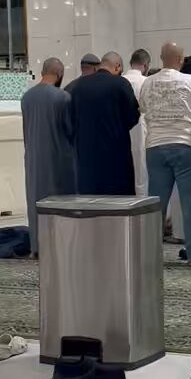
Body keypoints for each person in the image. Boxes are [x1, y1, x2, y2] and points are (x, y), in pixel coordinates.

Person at [140, 41, 191, 267]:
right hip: (187, 145)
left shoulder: (148, 82)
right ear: (181, 59)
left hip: (156, 147)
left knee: (156, 204)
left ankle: (151, 255)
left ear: (161, 58)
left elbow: (143, 107)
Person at [21, 57, 75, 256]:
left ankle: (36, 246)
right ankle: (59, 246)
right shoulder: (63, 97)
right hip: (58, 159)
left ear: (43, 72)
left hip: (33, 160)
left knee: (35, 202)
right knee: (60, 203)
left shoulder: (26, 98)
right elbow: (70, 130)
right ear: (60, 74)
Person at [70, 51, 139, 195]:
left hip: (86, 158)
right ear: (117, 67)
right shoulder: (120, 84)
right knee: (118, 201)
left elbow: (71, 120)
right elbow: (133, 116)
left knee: (89, 201)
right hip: (116, 157)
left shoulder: (78, 87)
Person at [124, 48, 151, 197]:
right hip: (142, 128)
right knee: (141, 166)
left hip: (123, 129)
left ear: (130, 63)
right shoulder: (146, 82)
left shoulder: (121, 80)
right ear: (146, 66)